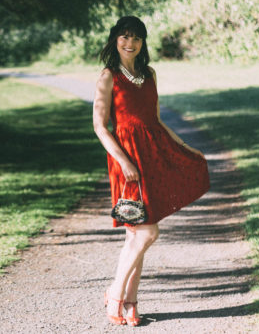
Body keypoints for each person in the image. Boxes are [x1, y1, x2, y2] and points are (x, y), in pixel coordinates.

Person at [92, 16, 210, 326]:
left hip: (152, 157)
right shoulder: (108, 77)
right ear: (114, 38)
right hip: (127, 163)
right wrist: (123, 161)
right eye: (124, 36)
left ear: (143, 43)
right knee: (146, 231)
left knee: (137, 235)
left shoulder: (149, 75)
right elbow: (100, 127)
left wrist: (184, 146)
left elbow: (156, 121)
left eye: (136, 38)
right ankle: (115, 292)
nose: (129, 43)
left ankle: (131, 302)